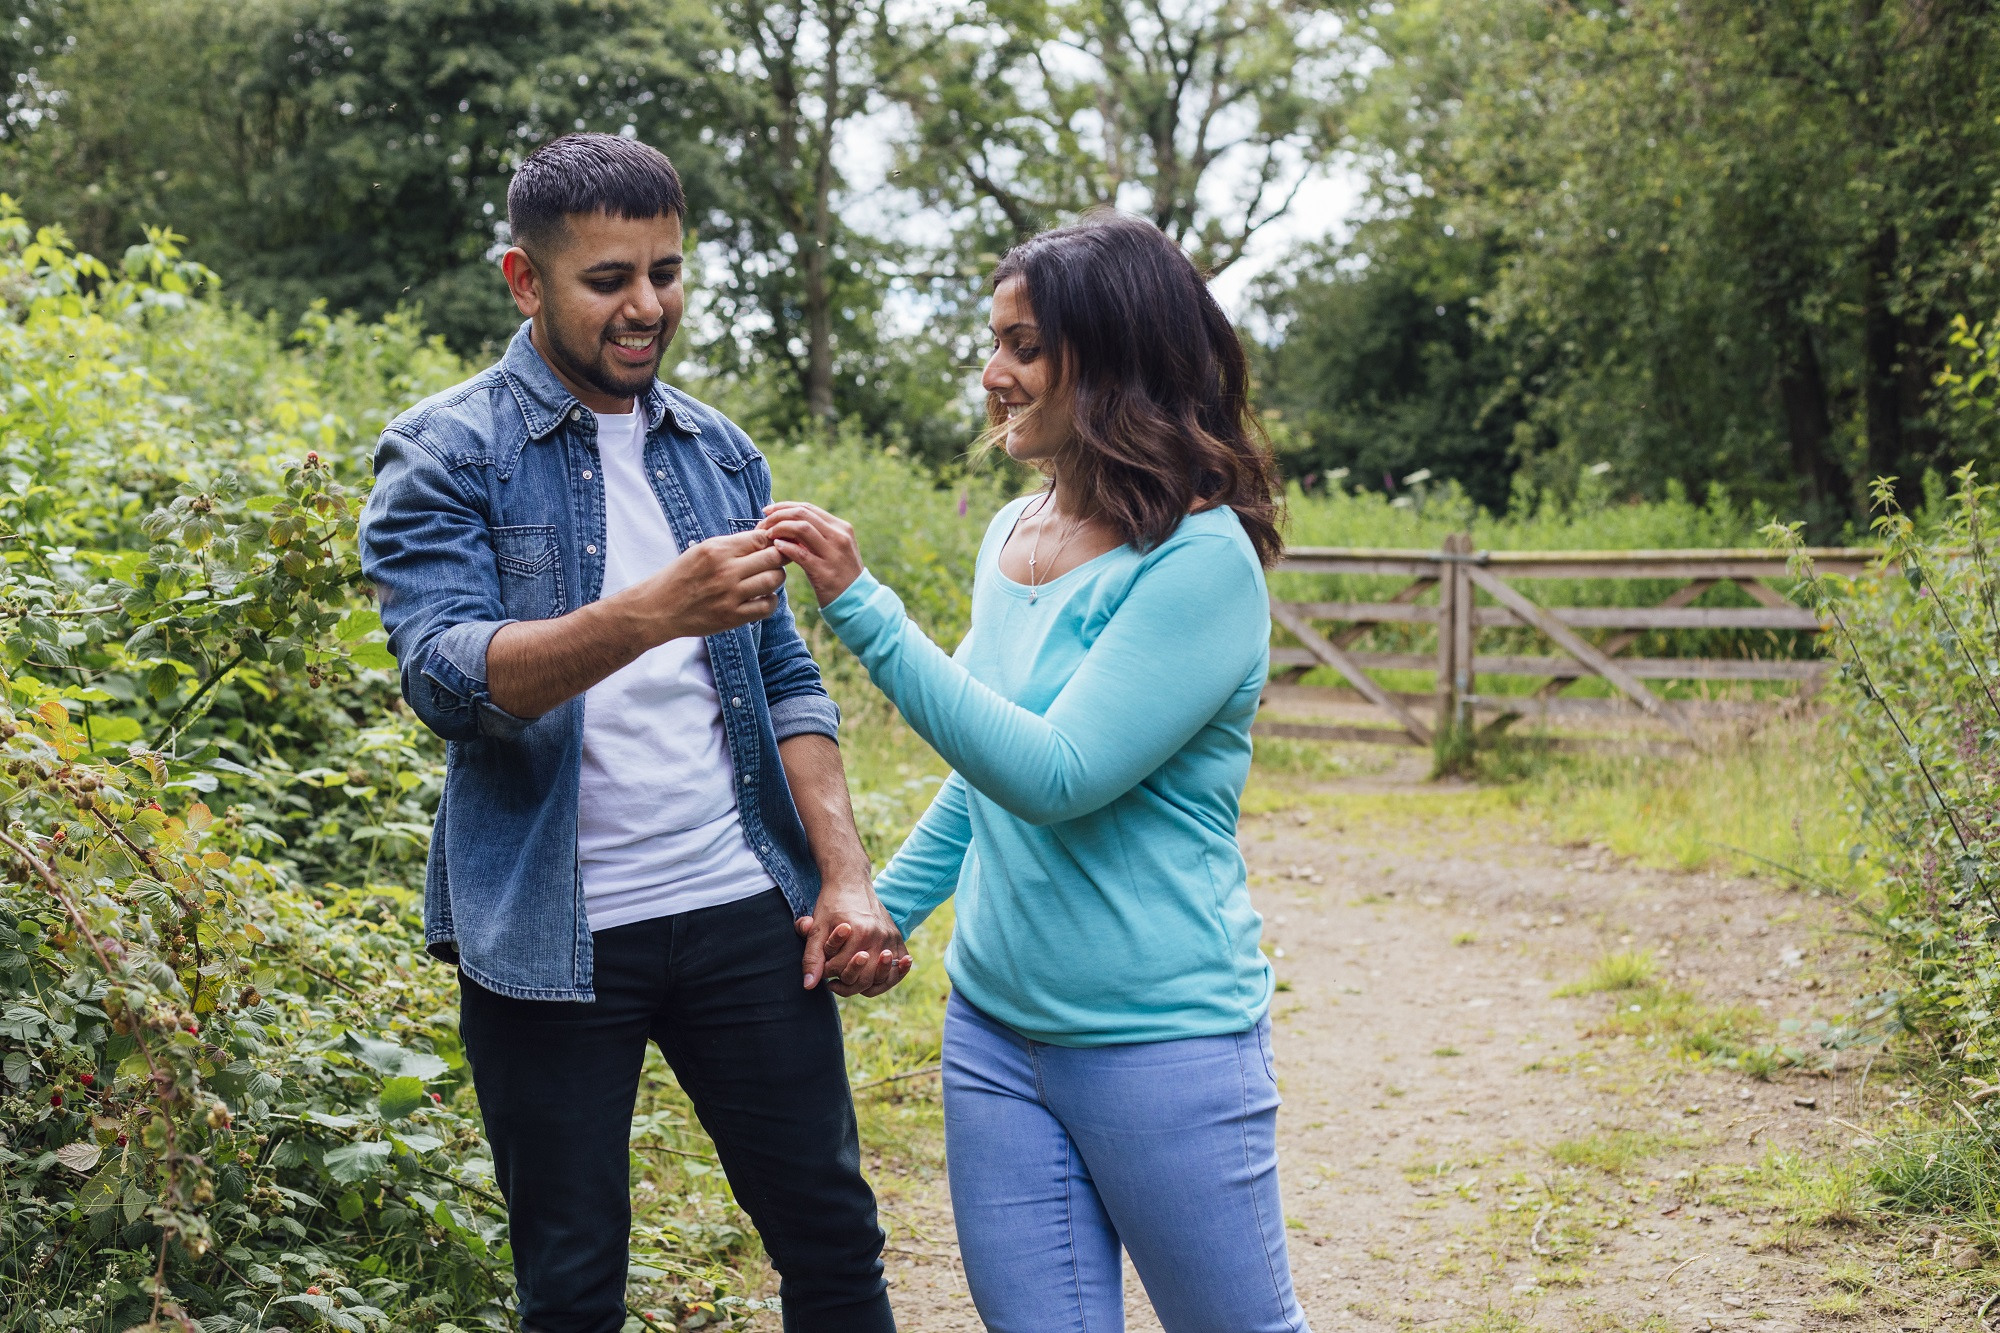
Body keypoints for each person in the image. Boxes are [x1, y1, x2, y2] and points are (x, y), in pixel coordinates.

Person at [359, 133, 908, 1333]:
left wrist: (844, 872)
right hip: (552, 932)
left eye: (664, 271)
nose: (646, 305)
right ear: (524, 279)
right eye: (609, 278)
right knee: (572, 1280)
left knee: (832, 1237)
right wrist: (653, 612)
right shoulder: (445, 451)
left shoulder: (715, 450)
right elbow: (446, 677)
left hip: (740, 913)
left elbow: (782, 676)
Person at [763, 212, 1311, 1332]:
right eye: (993, 341)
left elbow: (1056, 774)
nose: (991, 372)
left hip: (1161, 1043)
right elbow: (979, 778)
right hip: (995, 1036)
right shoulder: (1014, 528)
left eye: (1021, 346)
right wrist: (872, 912)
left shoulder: (1200, 563)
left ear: (1106, 359)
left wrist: (864, 610)